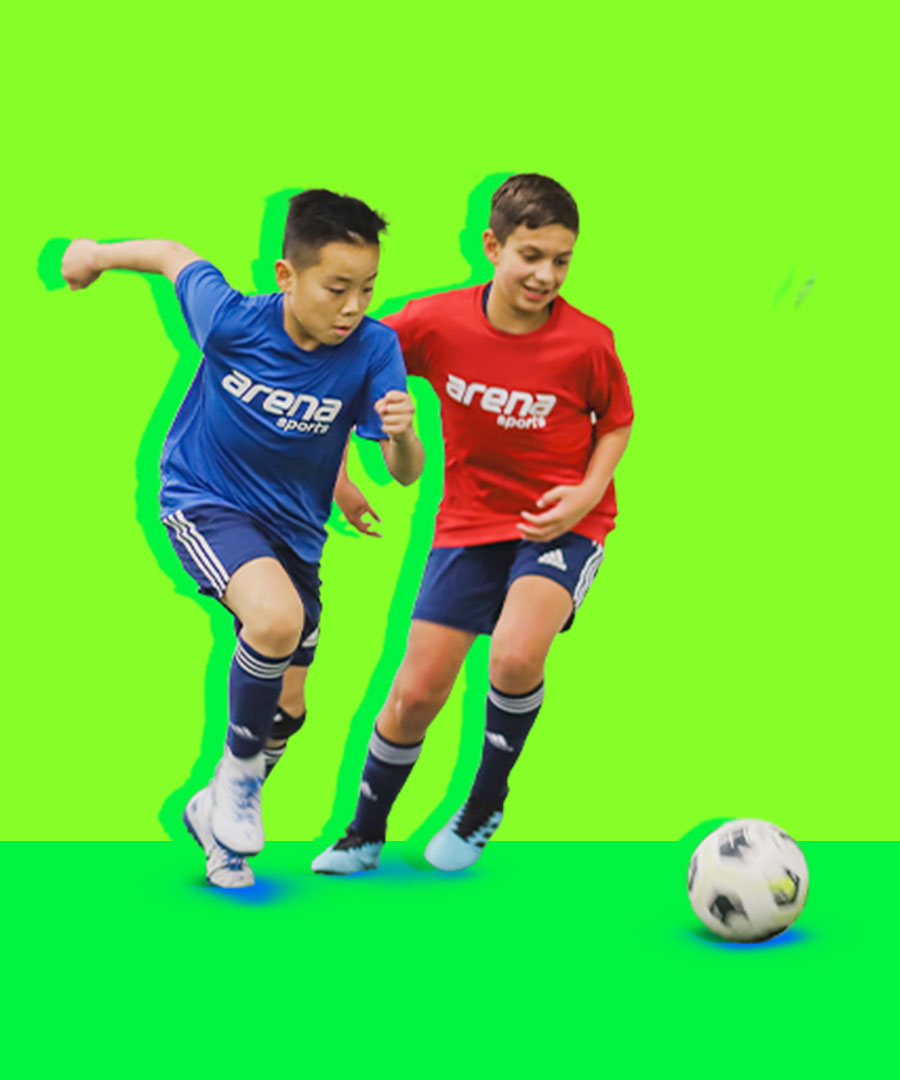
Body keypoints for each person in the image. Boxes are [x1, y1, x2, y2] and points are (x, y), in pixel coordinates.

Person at [60, 191, 422, 888]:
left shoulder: (374, 348)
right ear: (287, 276)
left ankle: (216, 822)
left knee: (289, 707)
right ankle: (238, 776)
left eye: (368, 289)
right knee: (275, 620)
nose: (353, 306)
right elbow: (172, 255)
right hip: (205, 500)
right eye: (337, 288)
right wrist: (93, 256)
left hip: (296, 534)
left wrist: (400, 439)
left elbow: (403, 472)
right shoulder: (232, 319)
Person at [312, 174, 634, 875]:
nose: (546, 275)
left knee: (515, 654)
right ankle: (364, 833)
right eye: (531, 255)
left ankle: (485, 801)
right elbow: (348, 364)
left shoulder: (587, 343)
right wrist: (343, 473)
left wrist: (586, 495)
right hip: (468, 523)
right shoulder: (435, 323)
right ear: (492, 246)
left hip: (561, 525)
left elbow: (615, 423)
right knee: (414, 694)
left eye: (562, 260)